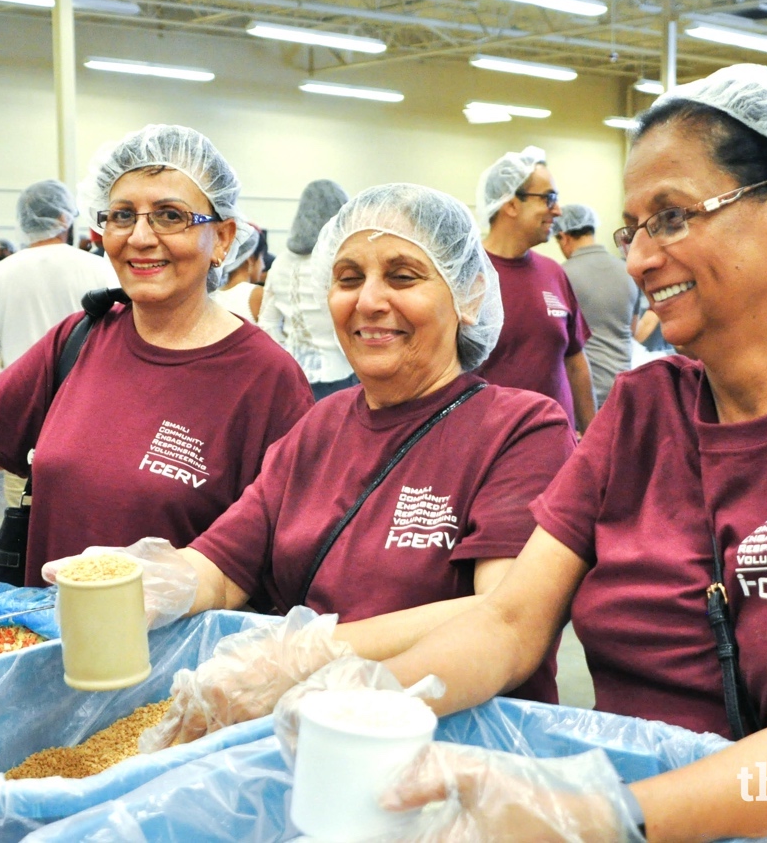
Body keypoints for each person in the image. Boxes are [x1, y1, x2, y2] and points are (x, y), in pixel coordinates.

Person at [257, 66, 767, 842]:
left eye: (674, 217)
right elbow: (512, 620)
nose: (642, 258)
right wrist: (374, 700)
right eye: (633, 229)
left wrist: (602, 815)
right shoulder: (645, 410)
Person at [56, 184, 576, 749]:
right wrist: (156, 582)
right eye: (348, 278)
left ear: (468, 294)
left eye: (403, 276)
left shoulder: (521, 429)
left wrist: (308, 658)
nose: (369, 301)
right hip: (304, 747)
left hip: (449, 759)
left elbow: (501, 615)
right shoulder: (320, 426)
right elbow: (226, 566)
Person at [0, 124, 314, 586]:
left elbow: (289, 557)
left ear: (223, 238)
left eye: (171, 215)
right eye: (122, 215)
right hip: (52, 652)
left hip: (183, 665)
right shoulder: (80, 339)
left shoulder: (265, 379)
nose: (140, 238)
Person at [0, 178, 119, 508]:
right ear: (66, 217)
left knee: (25, 536)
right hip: (94, 425)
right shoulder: (99, 268)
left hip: (26, 435)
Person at [474, 146, 595, 434]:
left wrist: (592, 435)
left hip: (557, 443)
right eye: (548, 198)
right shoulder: (467, 276)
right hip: (491, 449)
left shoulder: (554, 273)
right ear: (511, 203)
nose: (558, 210)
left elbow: (575, 362)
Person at [259, 180, 356, 400]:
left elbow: (267, 323)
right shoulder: (338, 262)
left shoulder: (281, 262)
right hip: (339, 375)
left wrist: (285, 356)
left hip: (291, 376)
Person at [554, 204, 640, 407]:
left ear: (563, 237)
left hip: (583, 399)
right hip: (624, 391)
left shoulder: (559, 275)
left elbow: (557, 341)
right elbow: (633, 330)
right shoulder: (628, 271)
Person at [210, 222, 265, 321]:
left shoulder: (212, 296)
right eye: (262, 258)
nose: (263, 266)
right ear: (250, 260)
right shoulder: (258, 295)